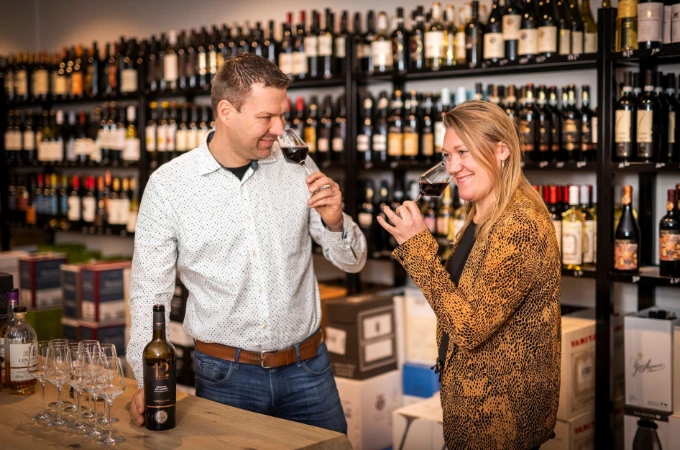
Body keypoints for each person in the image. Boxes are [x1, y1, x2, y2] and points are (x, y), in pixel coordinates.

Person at [126, 53, 366, 433]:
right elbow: (148, 293)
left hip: (308, 369)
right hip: (225, 376)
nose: (279, 128)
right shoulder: (169, 186)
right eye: (266, 117)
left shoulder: (297, 166)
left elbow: (353, 262)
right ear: (226, 112)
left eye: (282, 115)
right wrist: (146, 379)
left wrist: (336, 222)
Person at [377, 100, 561, 449]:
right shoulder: (481, 215)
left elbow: (469, 327)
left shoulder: (519, 225)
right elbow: (459, 299)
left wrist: (417, 249)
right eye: (447, 156)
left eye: (463, 152)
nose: (452, 167)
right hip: (473, 410)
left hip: (501, 422)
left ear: (502, 150)